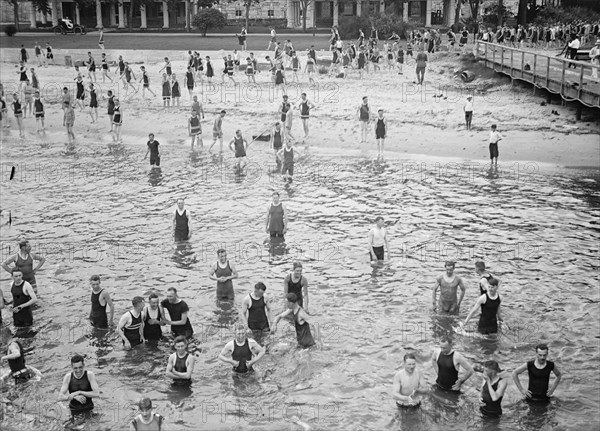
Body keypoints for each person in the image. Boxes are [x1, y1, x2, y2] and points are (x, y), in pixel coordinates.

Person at [58, 355, 100, 419]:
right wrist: (75, 397)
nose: (78, 370)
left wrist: (80, 392)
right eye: (75, 368)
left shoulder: (89, 375)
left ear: (83, 365)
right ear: (72, 367)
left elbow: (96, 393)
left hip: (88, 408)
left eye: (80, 367)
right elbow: (60, 397)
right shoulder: (68, 377)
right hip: (74, 410)